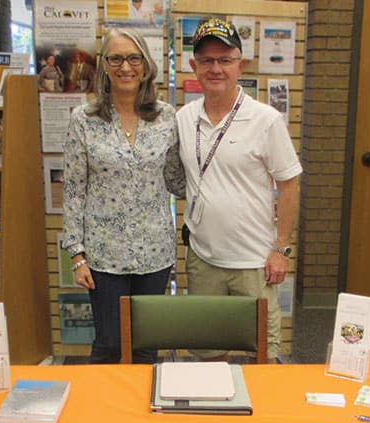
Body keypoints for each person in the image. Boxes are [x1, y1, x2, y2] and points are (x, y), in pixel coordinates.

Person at [176, 18, 302, 363]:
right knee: (206, 354)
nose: (215, 68)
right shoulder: (184, 119)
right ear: (194, 66)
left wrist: (282, 249)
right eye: (206, 61)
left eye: (225, 60)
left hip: (254, 262)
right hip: (203, 259)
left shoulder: (266, 120)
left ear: (240, 65)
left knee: (262, 356)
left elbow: (289, 185)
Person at [62, 28, 185, 364]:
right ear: (104, 66)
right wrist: (77, 255)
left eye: (133, 58)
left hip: (154, 252)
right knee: (109, 343)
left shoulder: (166, 117)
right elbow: (73, 190)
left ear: (145, 66)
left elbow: (176, 178)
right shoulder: (83, 120)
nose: (125, 67)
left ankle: (146, 414)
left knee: (147, 344)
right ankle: (101, 414)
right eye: (115, 58)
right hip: (103, 256)